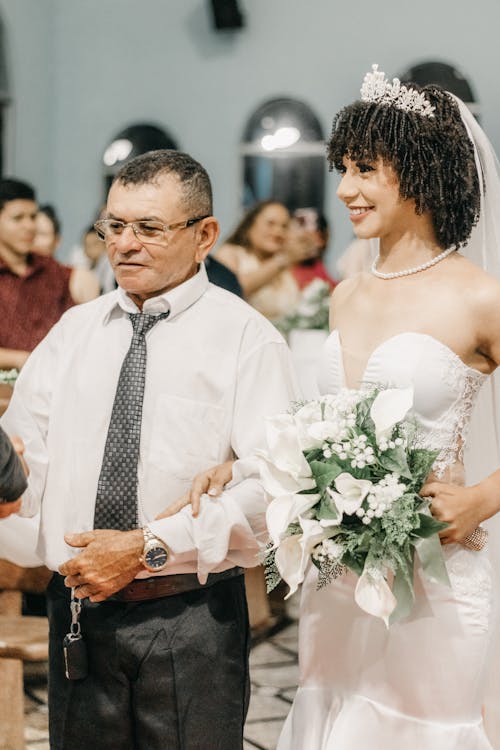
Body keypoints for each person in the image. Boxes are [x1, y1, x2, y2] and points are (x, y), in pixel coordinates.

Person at [181, 66, 500, 749]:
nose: (344, 190)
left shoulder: (479, 297)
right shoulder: (347, 293)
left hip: (436, 581)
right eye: (343, 168)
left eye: (365, 169)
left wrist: (482, 498)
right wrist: (241, 467)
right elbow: (319, 424)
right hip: (338, 580)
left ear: (418, 171)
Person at [1, 149, 299, 749]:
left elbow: (274, 489)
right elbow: (23, 465)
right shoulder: (72, 334)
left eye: (149, 228)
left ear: (204, 235)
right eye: (113, 225)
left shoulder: (246, 339)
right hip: (79, 612)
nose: (124, 244)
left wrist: (148, 549)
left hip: (190, 616)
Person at [0, 180, 100, 370]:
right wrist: (23, 360)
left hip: (53, 387)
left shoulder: (53, 270)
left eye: (32, 217)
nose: (29, 226)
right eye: (18, 218)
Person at [216, 200, 317, 319]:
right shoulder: (230, 253)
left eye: (284, 226)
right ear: (250, 225)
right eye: (270, 223)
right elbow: (232, 289)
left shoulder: (286, 267)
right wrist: (283, 260)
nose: (278, 232)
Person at [289, 210, 337, 290]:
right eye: (303, 241)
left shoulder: (318, 269)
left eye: (321, 237)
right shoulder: (278, 268)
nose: (318, 243)